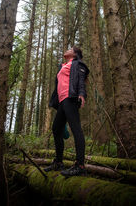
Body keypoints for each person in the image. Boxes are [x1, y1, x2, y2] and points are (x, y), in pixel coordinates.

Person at [44, 46, 89, 176]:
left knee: (76, 129)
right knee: (56, 129)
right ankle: (58, 162)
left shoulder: (77, 64)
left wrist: (82, 94)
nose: (67, 49)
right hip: (62, 101)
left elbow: (81, 81)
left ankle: (80, 165)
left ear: (74, 54)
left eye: (70, 49)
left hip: (71, 98)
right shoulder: (63, 65)